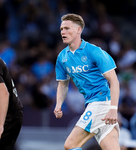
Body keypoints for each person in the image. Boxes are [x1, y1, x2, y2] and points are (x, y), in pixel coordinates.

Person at [54, 13, 120, 150]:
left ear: (79, 30)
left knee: (70, 145)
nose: (63, 32)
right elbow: (63, 83)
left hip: (101, 102)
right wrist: (58, 104)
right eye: (61, 29)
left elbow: (114, 81)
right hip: (93, 103)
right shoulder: (62, 57)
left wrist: (113, 109)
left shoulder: (94, 52)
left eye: (67, 28)